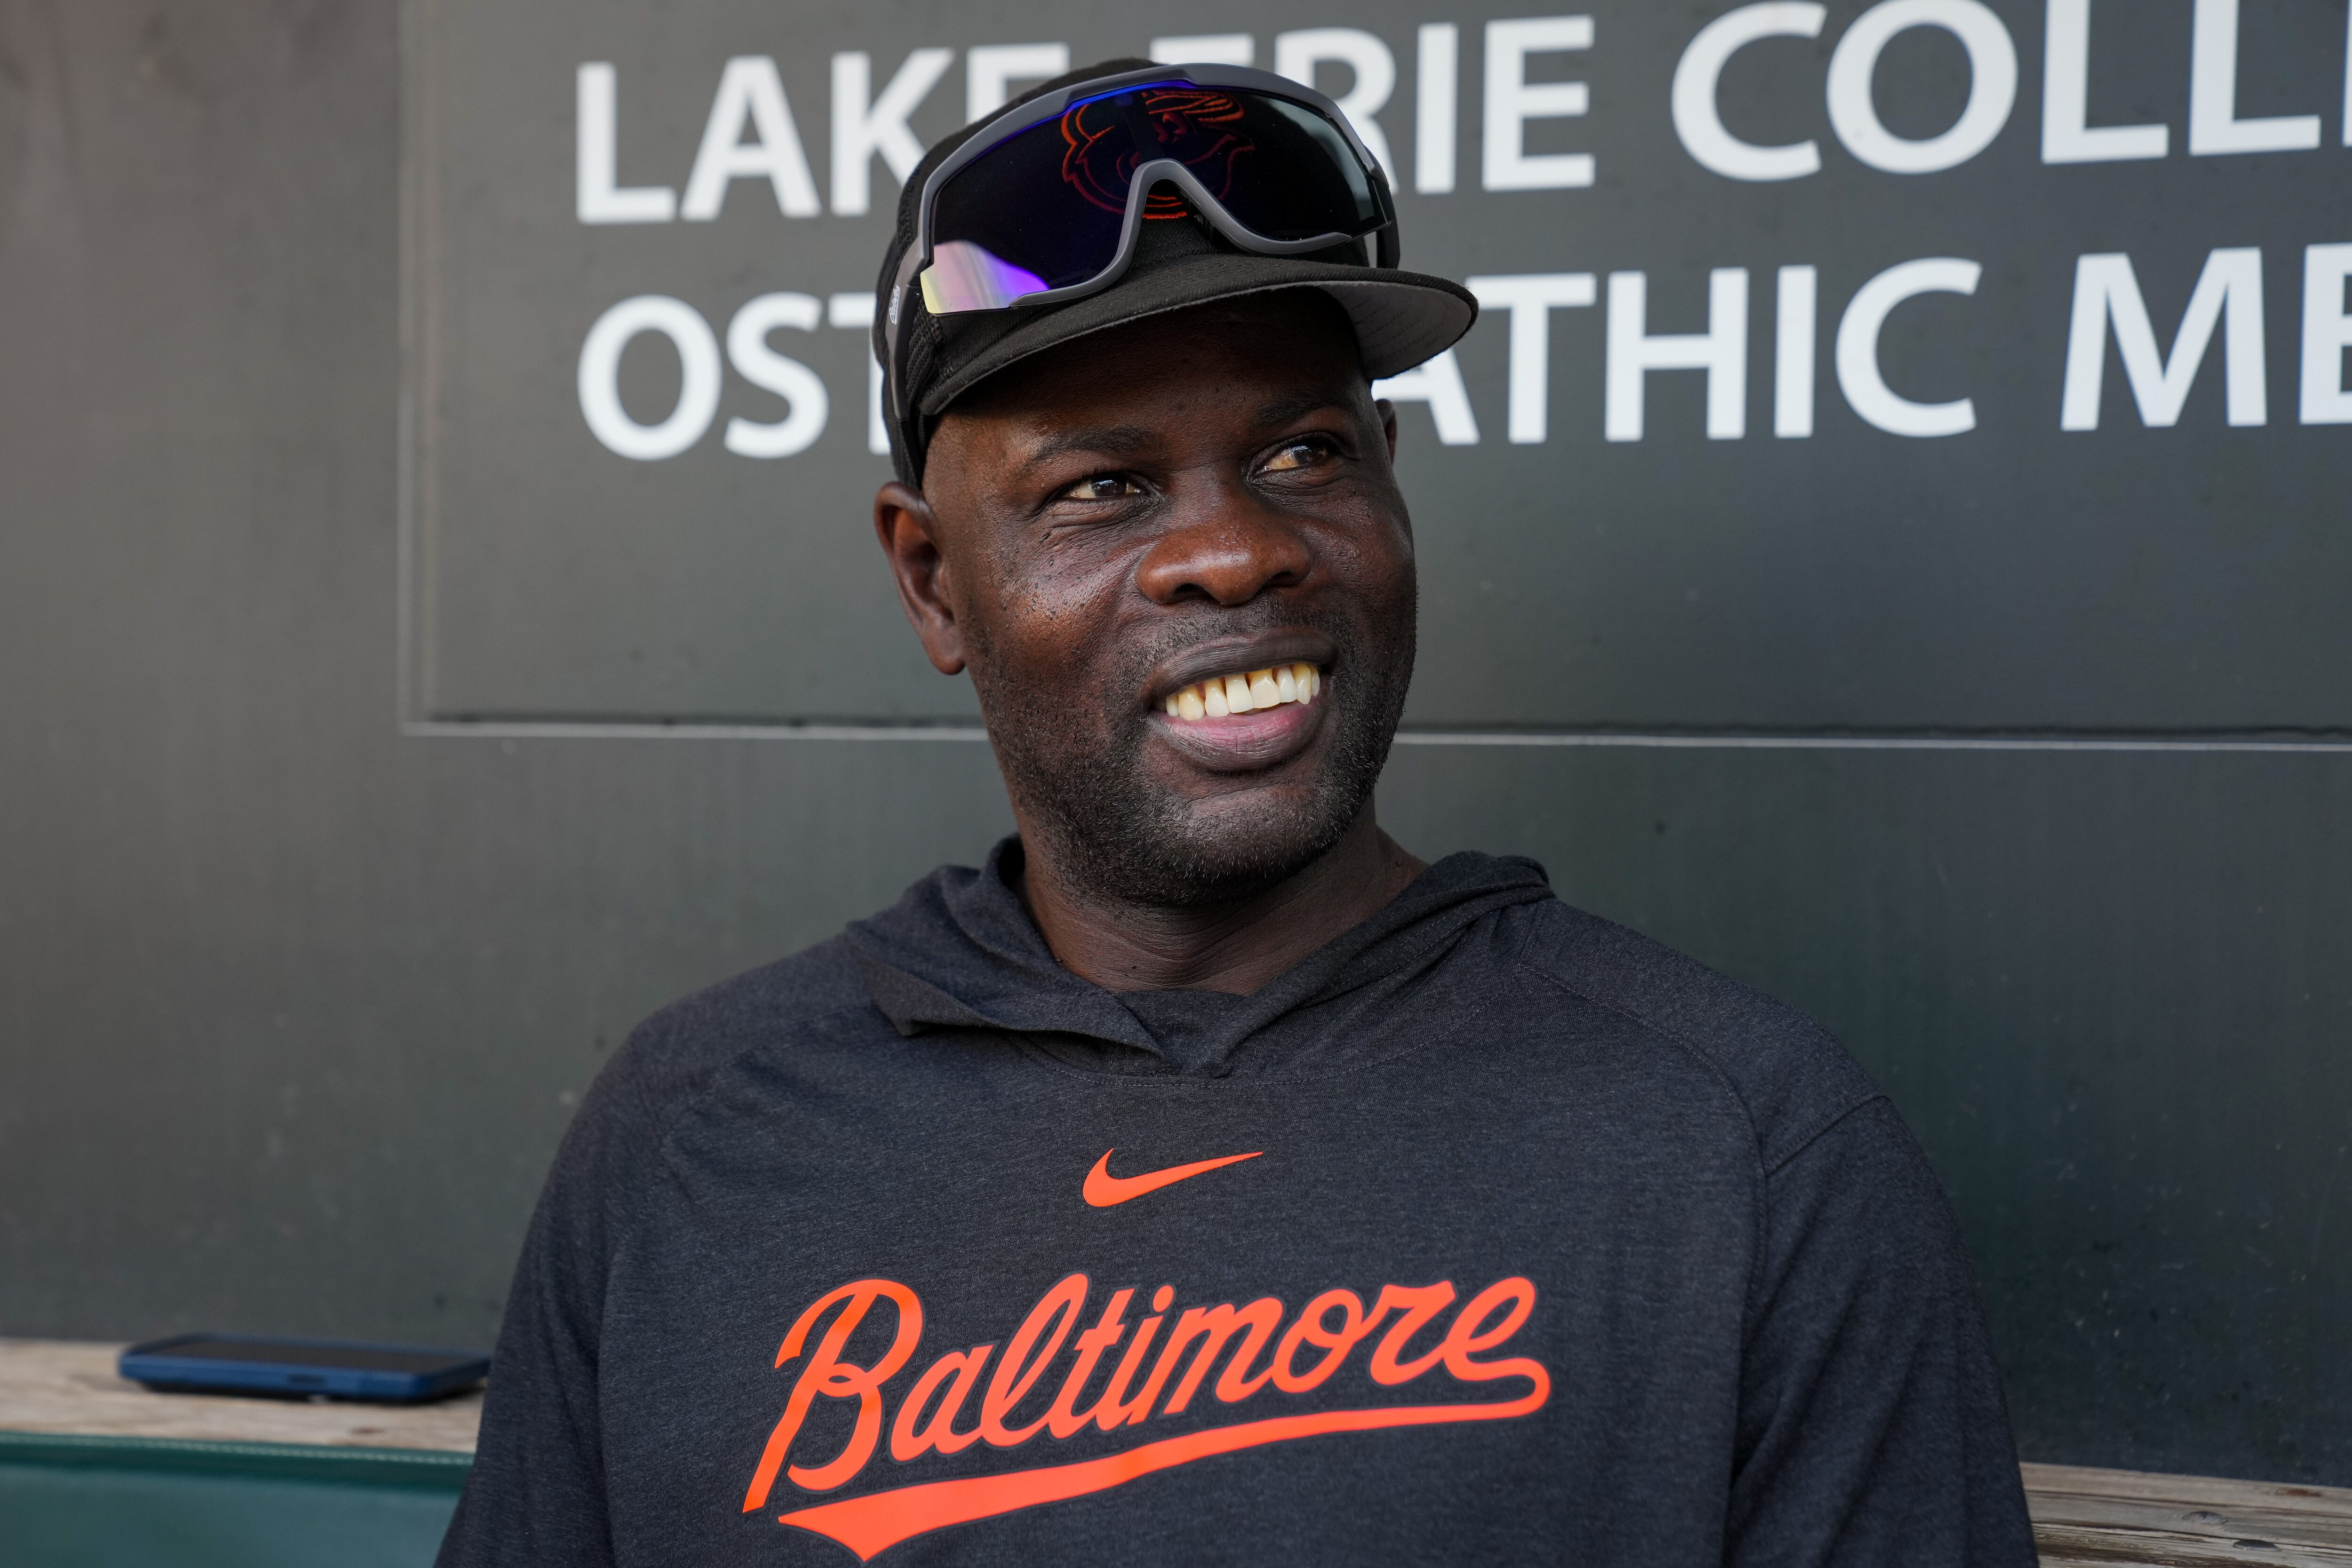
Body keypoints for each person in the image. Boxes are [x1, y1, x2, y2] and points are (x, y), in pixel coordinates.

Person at [438, 60, 2034, 1566]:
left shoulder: (1747, 1148)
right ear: (934, 580)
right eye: (1102, 488)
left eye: (1302, 450)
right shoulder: (693, 1130)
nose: (1235, 551)